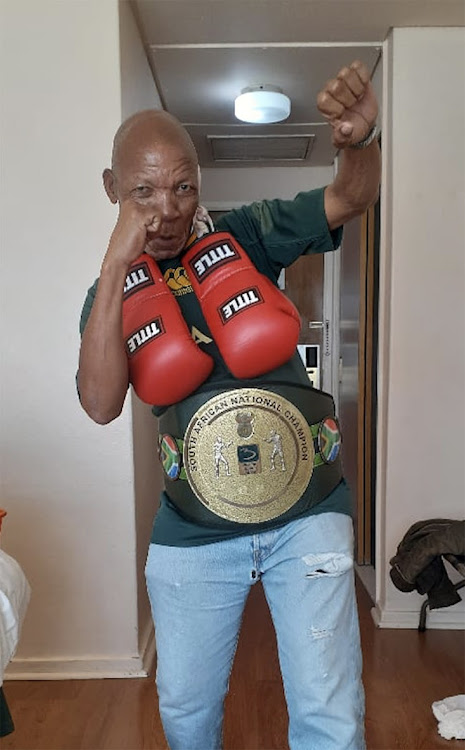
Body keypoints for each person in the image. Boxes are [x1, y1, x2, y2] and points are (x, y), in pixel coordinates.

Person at [78, 60, 381, 750]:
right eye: (143, 191)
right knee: (187, 718)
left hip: (308, 513)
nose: (167, 208)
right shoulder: (112, 296)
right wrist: (113, 270)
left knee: (330, 713)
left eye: (183, 186)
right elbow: (98, 404)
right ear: (112, 190)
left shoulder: (245, 235)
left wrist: (358, 140)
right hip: (193, 529)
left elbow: (349, 198)